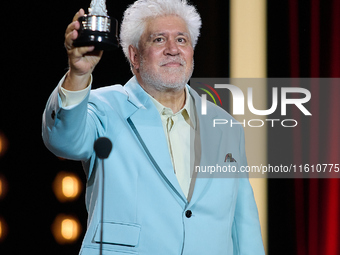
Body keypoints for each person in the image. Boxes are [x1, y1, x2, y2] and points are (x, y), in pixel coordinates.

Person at [42, 0, 265, 254]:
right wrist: (78, 75)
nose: (173, 49)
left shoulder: (226, 127)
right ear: (135, 56)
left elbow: (243, 225)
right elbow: (62, 140)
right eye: (159, 40)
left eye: (181, 40)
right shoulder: (103, 107)